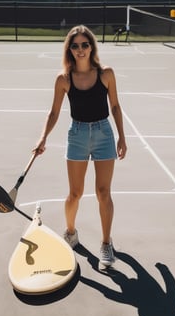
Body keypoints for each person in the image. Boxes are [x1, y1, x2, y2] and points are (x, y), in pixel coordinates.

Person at [35, 25, 127, 266]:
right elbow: (54, 112)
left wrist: (122, 137)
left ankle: (106, 244)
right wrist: (43, 137)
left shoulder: (106, 74)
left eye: (85, 44)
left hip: (103, 134)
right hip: (76, 134)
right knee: (74, 193)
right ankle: (71, 232)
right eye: (75, 45)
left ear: (91, 47)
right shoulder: (63, 79)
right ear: (69, 49)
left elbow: (115, 107)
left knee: (103, 192)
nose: (80, 49)